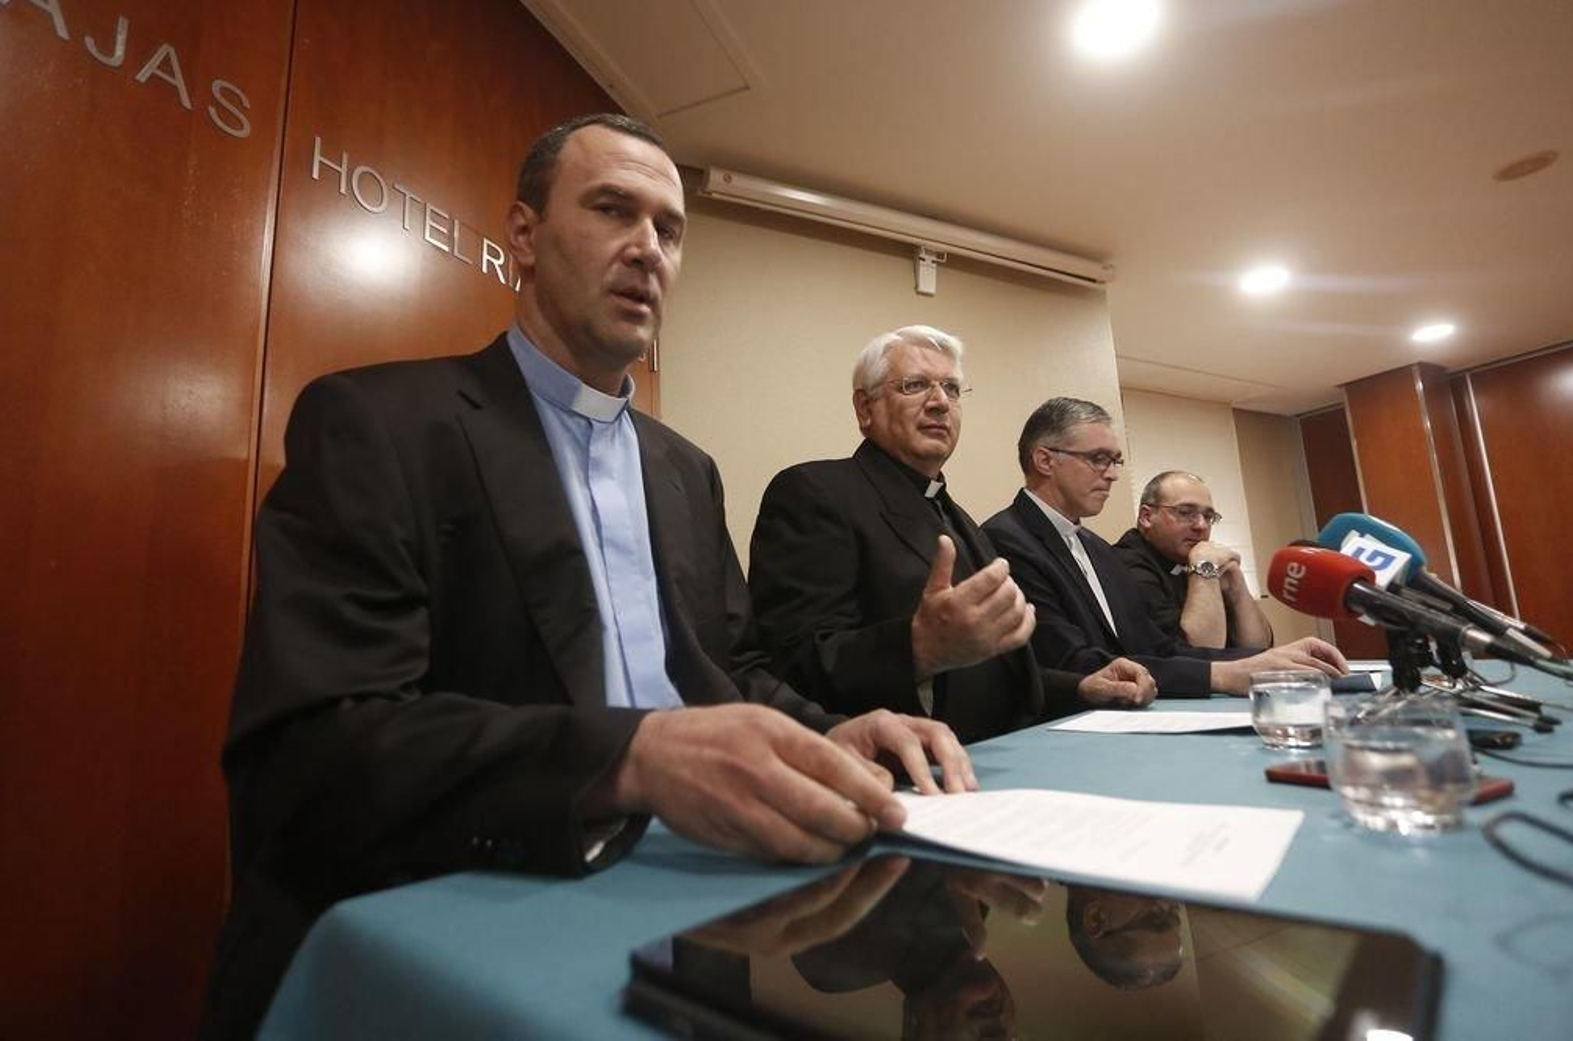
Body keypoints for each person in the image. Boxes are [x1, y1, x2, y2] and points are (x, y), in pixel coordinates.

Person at [203, 115, 975, 1038]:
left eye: (671, 228)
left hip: (706, 907)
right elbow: (314, 750)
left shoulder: (686, 469)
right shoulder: (378, 423)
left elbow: (729, 672)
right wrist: (631, 757)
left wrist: (834, 731)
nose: (647, 249)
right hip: (466, 908)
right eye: (613, 210)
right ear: (523, 236)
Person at [748, 326, 1155, 742]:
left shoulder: (961, 520)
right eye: (915, 385)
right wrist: (918, 646)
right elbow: (792, 665)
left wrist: (1081, 686)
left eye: (952, 389)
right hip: (905, 771)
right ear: (865, 408)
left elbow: (996, 676)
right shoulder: (816, 492)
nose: (940, 402)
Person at [981, 397, 1347, 696]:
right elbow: (1074, 663)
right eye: (1098, 459)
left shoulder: (1095, 548)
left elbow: (1157, 648)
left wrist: (1263, 659)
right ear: (1045, 460)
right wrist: (1220, 675)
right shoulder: (1006, 540)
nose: (1111, 474)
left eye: (1116, 461)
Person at [1112, 471, 1275, 649]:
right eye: (1185, 512)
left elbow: (1259, 648)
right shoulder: (1123, 565)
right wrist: (1203, 566)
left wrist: (1237, 586)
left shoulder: (1199, 559)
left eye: (1208, 516)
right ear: (1147, 517)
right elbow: (1197, 655)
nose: (1201, 526)